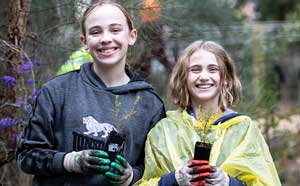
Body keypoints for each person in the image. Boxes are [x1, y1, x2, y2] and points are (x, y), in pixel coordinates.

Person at [16, 1, 165, 185]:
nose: (105, 38)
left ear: (132, 36)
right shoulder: (56, 91)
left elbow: (157, 169)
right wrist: (70, 161)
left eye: (115, 30)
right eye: (95, 32)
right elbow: (26, 156)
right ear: (84, 41)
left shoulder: (150, 104)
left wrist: (131, 176)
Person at [136, 40, 281, 186]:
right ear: (183, 78)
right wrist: (175, 179)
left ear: (225, 78)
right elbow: (146, 182)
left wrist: (229, 182)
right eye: (195, 69)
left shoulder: (243, 130)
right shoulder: (164, 130)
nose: (204, 76)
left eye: (213, 69)